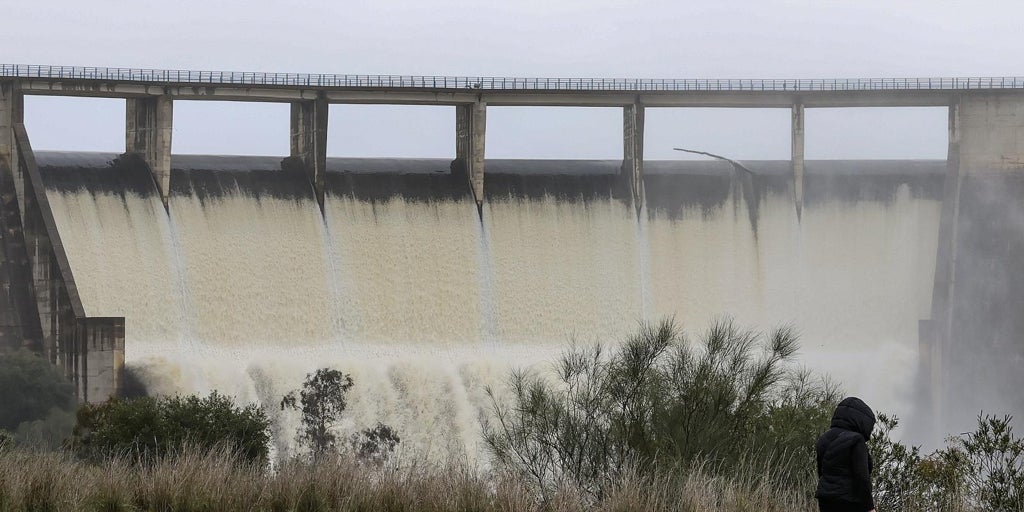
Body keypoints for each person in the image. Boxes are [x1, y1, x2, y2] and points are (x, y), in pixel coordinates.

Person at [815, 396, 877, 512]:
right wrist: (870, 507)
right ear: (862, 421)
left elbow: (821, 472)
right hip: (850, 500)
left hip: (825, 499)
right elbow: (862, 478)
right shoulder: (856, 440)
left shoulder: (823, 439)